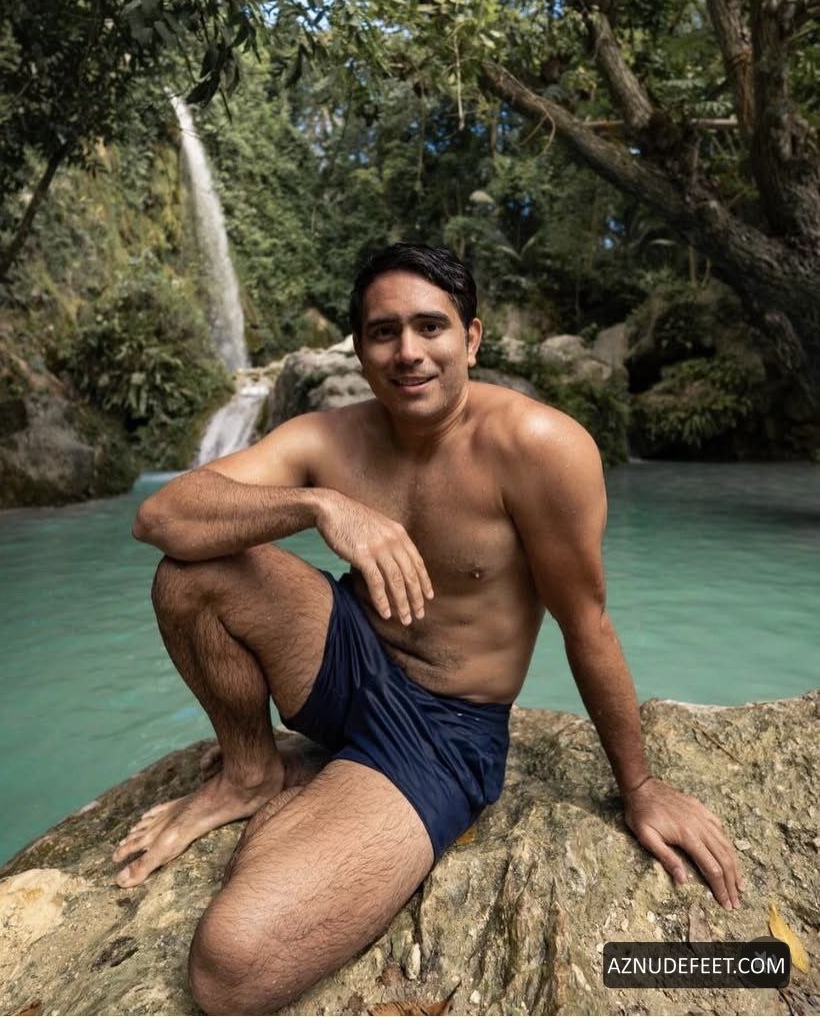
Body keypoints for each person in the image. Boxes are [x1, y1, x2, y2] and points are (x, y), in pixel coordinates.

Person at [116, 243, 743, 1014]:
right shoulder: (328, 439)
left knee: (230, 972)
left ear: (471, 339)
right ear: (360, 349)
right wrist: (320, 506)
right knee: (190, 572)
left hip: (443, 731)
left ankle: (338, 796)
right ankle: (252, 771)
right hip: (344, 659)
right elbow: (160, 516)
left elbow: (588, 624)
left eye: (430, 327)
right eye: (384, 332)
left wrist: (639, 787)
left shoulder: (540, 448)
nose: (408, 352)